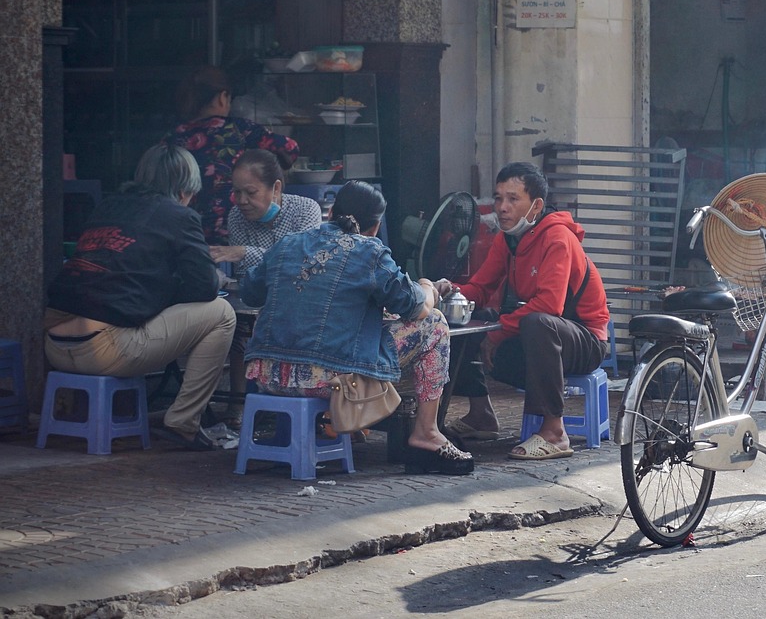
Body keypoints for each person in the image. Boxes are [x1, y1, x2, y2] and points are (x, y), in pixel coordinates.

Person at [240, 181, 473, 476]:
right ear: (375, 227)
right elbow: (416, 306)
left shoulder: (288, 244)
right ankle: (426, 432)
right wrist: (428, 287)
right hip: (327, 380)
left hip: (268, 375)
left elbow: (250, 292)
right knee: (435, 324)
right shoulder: (369, 251)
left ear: (332, 212)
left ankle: (339, 427)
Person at [44, 144, 237, 450]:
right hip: (105, 351)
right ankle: (184, 423)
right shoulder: (179, 216)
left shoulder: (107, 206)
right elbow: (205, 288)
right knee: (222, 312)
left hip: (54, 346)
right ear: (186, 188)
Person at [435, 162, 610, 461]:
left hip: (585, 339)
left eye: (513, 199)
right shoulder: (508, 239)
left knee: (536, 322)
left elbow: (550, 306)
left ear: (536, 205)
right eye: (499, 197)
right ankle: (481, 415)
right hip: (543, 335)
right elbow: (481, 286)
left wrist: (499, 333)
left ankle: (555, 432)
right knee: (465, 320)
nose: (502, 207)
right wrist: (448, 292)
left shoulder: (558, 238)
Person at [217, 149, 322, 428]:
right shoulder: (237, 217)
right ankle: (239, 404)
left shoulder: (306, 210)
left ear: (275, 188)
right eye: (236, 192)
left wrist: (243, 252)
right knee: (238, 322)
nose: (242, 201)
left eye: (250, 192)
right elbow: (248, 278)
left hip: (301, 299)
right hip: (257, 297)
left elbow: (300, 262)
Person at [164, 65, 300, 245]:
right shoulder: (238, 129)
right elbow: (290, 149)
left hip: (185, 234)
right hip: (234, 233)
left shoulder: (173, 137)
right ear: (222, 98)